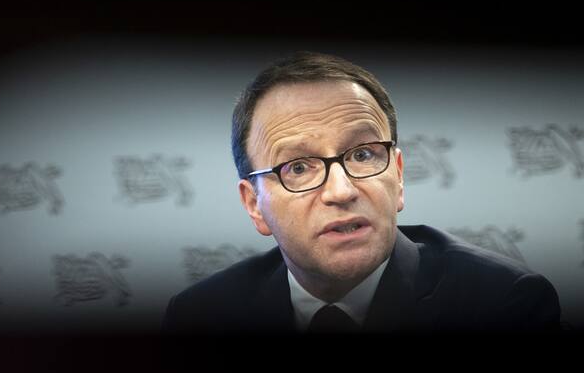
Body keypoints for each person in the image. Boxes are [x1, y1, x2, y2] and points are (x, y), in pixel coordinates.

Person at [162, 51, 561, 333]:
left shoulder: (503, 305)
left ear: (399, 177)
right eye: (298, 167)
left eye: (364, 154)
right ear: (254, 205)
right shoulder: (201, 316)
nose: (341, 190)